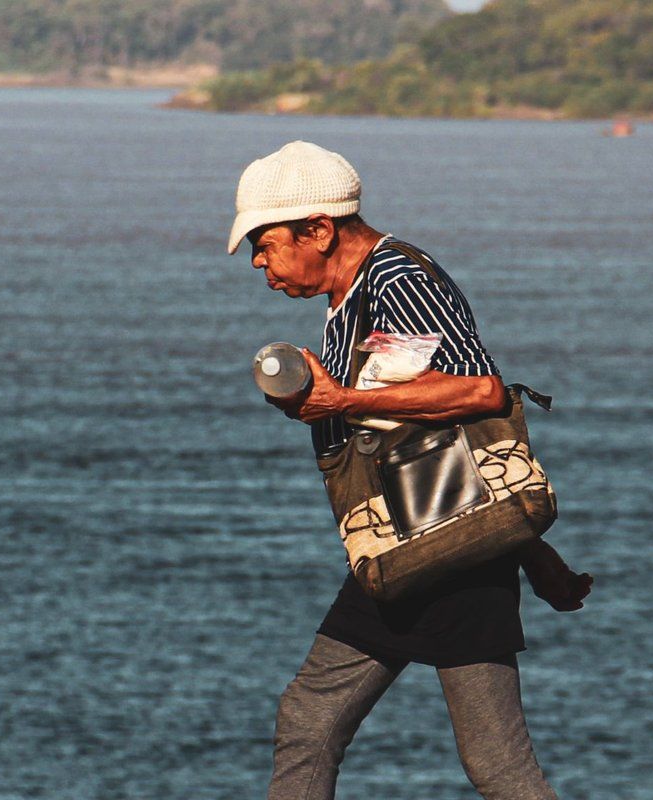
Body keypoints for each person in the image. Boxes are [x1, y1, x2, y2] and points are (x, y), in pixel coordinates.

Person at [228, 140, 592, 800]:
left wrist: (343, 401)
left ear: (318, 229)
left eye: (264, 242)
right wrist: (534, 554)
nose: (258, 260)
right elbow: (433, 431)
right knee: (313, 721)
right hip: (416, 551)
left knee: (494, 763)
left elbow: (477, 391)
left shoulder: (397, 282)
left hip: (441, 559)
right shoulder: (357, 301)